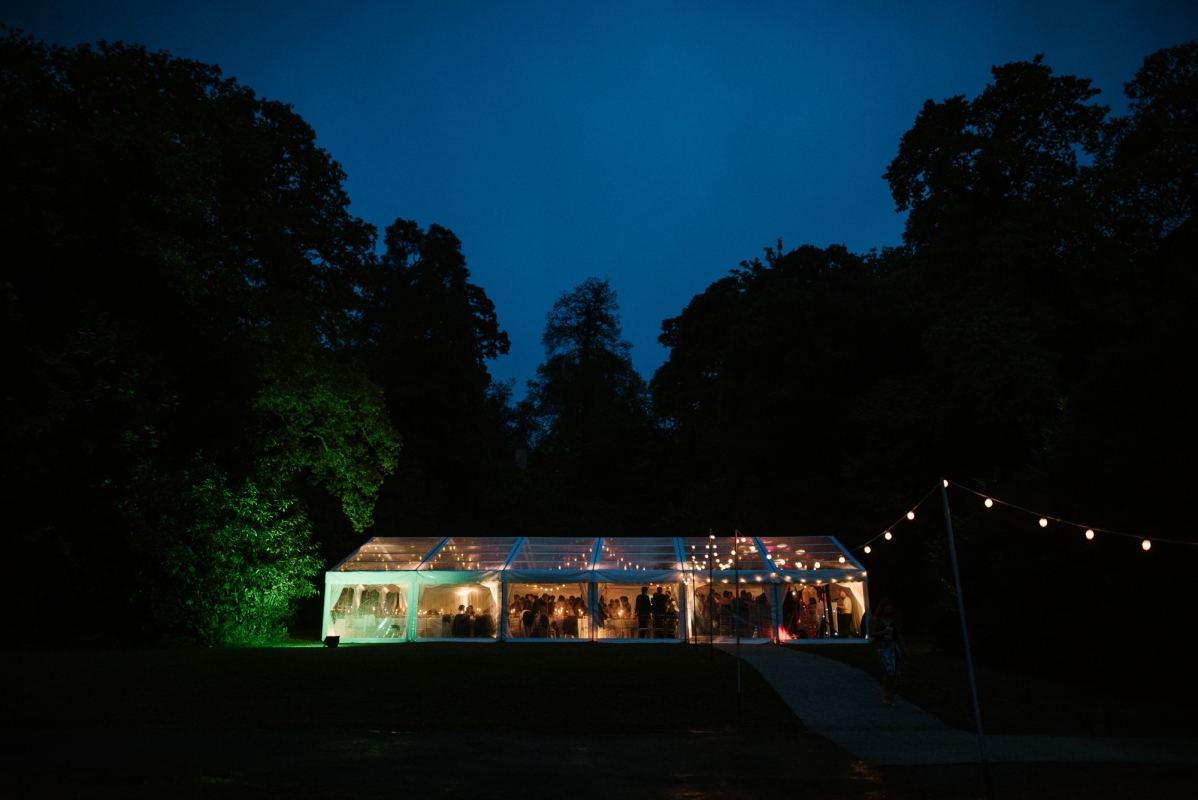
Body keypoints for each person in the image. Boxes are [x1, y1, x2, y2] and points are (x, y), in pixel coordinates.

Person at [870, 598, 906, 707]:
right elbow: (871, 633)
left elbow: (898, 634)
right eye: (887, 609)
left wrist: (904, 647)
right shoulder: (876, 619)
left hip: (893, 647)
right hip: (883, 648)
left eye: (890, 609)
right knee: (889, 671)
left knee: (895, 673)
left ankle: (891, 696)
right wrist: (882, 632)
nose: (889, 611)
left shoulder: (893, 619)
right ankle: (886, 692)